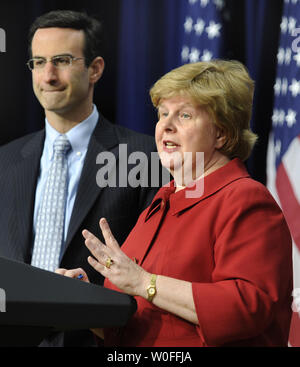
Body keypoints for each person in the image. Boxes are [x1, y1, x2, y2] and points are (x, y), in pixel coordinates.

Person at [60, 59, 293, 347]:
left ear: (222, 133)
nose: (166, 126)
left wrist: (145, 283)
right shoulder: (159, 205)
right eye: (163, 114)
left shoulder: (244, 199)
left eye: (184, 116)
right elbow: (136, 327)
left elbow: (248, 306)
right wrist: (84, 302)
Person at [0, 10, 161, 346]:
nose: (48, 76)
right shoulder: (6, 160)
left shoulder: (143, 158)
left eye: (61, 60)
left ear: (95, 69)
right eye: (38, 62)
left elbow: (159, 271)